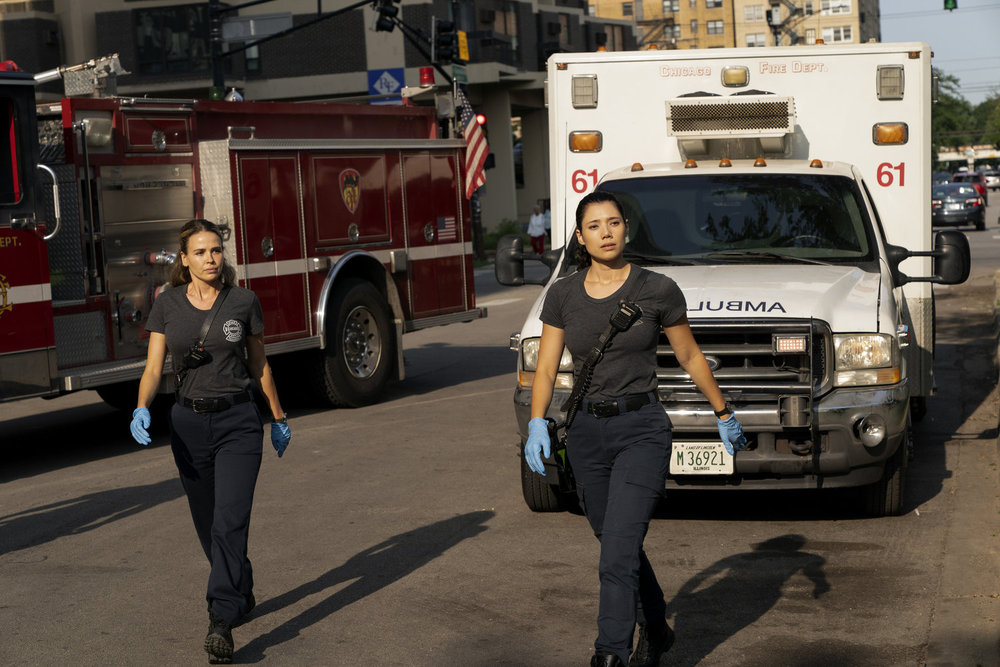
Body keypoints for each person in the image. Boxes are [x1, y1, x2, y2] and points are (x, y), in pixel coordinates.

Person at [523, 191, 746, 667]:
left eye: (614, 223)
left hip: (642, 429)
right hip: (585, 433)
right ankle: (657, 623)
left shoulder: (657, 289)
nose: (606, 232)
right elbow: (545, 370)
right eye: (594, 226)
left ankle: (610, 653)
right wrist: (537, 422)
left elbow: (688, 355)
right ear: (580, 238)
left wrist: (722, 411)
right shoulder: (562, 294)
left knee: (616, 553)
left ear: (627, 229)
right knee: (616, 545)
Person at [129, 219, 291, 664]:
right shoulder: (167, 305)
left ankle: (221, 618)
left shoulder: (243, 301)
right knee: (207, 524)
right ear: (184, 259)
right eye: (200, 252)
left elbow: (259, 364)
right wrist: (142, 406)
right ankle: (239, 581)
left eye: (216, 251)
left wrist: (277, 417)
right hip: (187, 424)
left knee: (229, 521)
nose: (210, 259)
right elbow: (153, 367)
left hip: (239, 422)